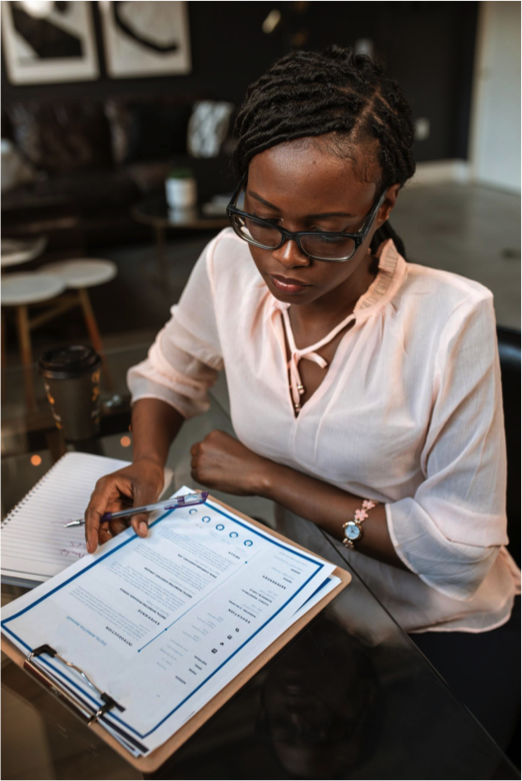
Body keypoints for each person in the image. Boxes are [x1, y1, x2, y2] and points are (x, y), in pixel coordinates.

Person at [85, 47, 522, 748]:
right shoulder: (230, 263)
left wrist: (268, 477)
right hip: (309, 605)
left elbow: (458, 556)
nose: (285, 258)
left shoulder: (450, 322)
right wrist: (144, 463)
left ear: (384, 206)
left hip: (438, 627)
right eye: (263, 218)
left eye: (325, 230)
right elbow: (171, 369)